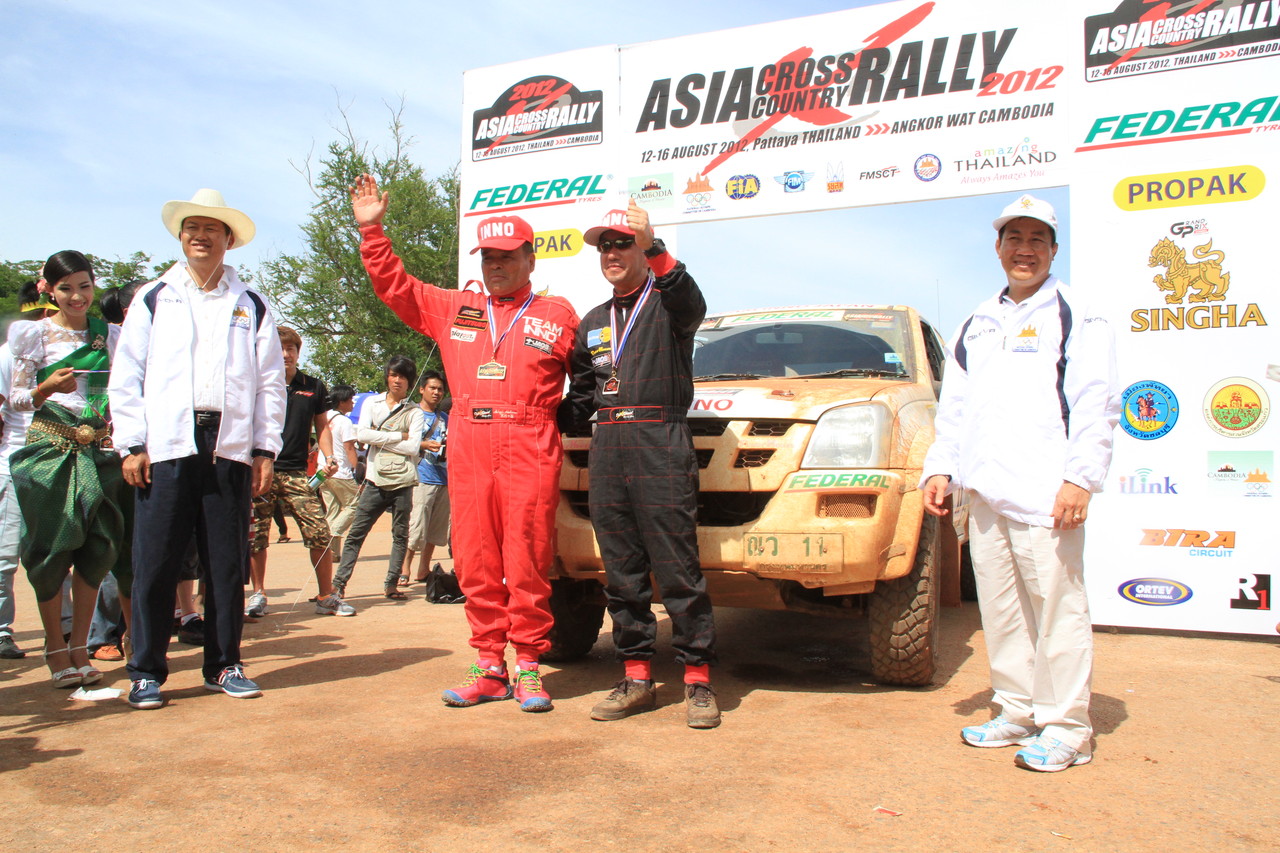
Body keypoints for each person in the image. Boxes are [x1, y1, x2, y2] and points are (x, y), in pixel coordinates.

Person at [351, 173, 578, 712]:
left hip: (530, 438)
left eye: (506, 256)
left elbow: (592, 381)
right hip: (470, 439)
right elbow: (396, 287)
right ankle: (489, 667)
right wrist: (372, 232)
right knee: (475, 557)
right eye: (488, 257)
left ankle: (528, 666)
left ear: (530, 259)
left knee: (528, 556)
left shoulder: (557, 314)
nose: (495, 265)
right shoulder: (456, 307)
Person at [920, 194, 1120, 772]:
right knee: (1004, 612)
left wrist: (1079, 479)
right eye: (1014, 238)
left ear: (1054, 250)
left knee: (1058, 612)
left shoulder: (1078, 314)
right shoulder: (977, 322)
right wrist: (941, 467)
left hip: (1046, 493)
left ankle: (1068, 728)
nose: (1024, 250)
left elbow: (1097, 404)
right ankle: (1016, 710)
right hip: (986, 494)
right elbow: (956, 409)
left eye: (1037, 239)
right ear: (998, 247)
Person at [109, 188, 286, 710]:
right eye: (192, 227)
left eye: (211, 228)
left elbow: (269, 383)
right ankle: (146, 671)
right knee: (155, 561)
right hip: (165, 444)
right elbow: (127, 373)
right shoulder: (154, 297)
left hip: (229, 445)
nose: (201, 236)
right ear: (181, 236)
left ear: (229, 239)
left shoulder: (251, 304)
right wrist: (131, 443)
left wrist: (264, 448)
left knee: (226, 563)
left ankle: (224, 664)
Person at [563, 202, 720, 728]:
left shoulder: (668, 303)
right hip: (609, 445)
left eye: (622, 243)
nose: (611, 252)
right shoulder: (592, 322)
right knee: (622, 572)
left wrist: (655, 247)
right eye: (604, 245)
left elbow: (692, 301)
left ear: (641, 249)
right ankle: (635, 678)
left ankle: (698, 681)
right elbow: (580, 397)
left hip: (660, 438)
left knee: (678, 569)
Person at [7, 251, 125, 688]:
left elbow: (124, 389)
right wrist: (45, 388)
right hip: (50, 448)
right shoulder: (32, 334)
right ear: (50, 291)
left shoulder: (110, 335)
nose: (77, 296)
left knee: (99, 544)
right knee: (53, 546)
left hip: (98, 447)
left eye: (84, 286)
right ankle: (55, 647)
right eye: (66, 288)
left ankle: (80, 647)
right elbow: (16, 398)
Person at [247, 326, 353, 618]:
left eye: (291, 349)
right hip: (260, 469)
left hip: (296, 472)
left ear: (298, 352)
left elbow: (322, 426)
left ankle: (326, 596)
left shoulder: (313, 385)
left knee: (319, 531)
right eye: (279, 348)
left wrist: (329, 457)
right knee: (257, 536)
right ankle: (258, 594)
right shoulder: (257, 382)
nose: (285, 354)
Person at [331, 356, 424, 604]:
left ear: (410, 382)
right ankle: (338, 584)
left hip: (403, 482)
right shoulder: (372, 403)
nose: (397, 380)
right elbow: (361, 435)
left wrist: (378, 437)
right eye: (393, 375)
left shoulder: (414, 411)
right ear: (387, 377)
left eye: (402, 377)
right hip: (374, 481)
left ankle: (391, 584)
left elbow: (413, 447)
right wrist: (399, 436)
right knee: (356, 534)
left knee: (400, 536)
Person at [0, 281, 58, 660]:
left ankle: (64, 629)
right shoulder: (8, 353)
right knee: (5, 555)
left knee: (59, 552)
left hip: (57, 462)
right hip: (15, 461)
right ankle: (2, 630)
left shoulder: (67, 349)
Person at [399, 370, 450, 586]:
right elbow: (399, 441)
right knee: (416, 527)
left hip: (443, 479)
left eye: (440, 389)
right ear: (421, 389)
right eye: (432, 388)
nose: (436, 392)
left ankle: (423, 569)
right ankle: (404, 569)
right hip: (420, 477)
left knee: (435, 530)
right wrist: (423, 444)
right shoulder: (411, 414)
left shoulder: (445, 418)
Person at [317, 384, 360, 560]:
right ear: (342, 401)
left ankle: (331, 553)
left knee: (332, 510)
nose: (352, 403)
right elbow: (349, 447)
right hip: (340, 471)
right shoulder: (344, 421)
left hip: (322, 470)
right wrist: (358, 470)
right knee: (356, 505)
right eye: (350, 400)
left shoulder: (324, 417)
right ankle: (333, 532)